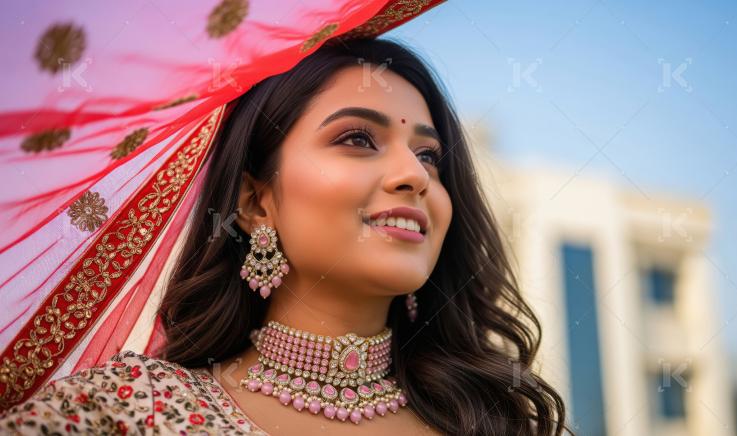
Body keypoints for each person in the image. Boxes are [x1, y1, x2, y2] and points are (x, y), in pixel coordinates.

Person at [0, 37, 570, 435]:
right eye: (357, 139)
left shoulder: (503, 422)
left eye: (429, 155)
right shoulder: (126, 410)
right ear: (255, 202)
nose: (414, 175)